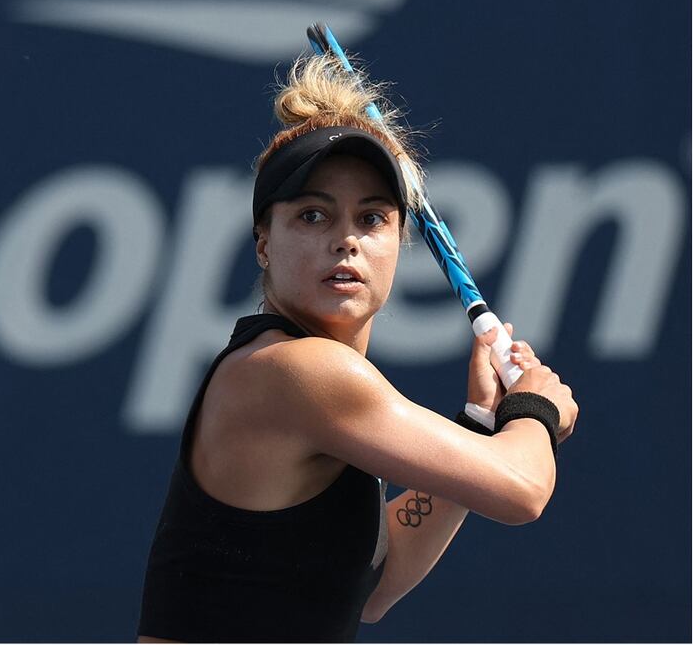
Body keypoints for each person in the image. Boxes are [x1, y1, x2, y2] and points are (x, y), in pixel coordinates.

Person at [136, 54, 578, 643]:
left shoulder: (310, 378)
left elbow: (376, 586)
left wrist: (480, 422)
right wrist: (536, 410)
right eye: (313, 215)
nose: (345, 240)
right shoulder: (297, 371)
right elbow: (521, 489)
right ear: (264, 242)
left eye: (371, 219)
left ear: (399, 242)